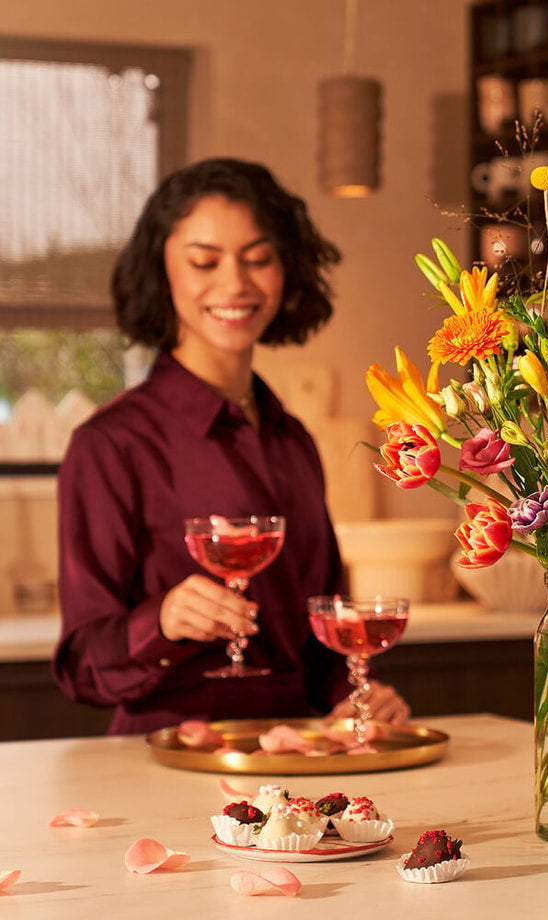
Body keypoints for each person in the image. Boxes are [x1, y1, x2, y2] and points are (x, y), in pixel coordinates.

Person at [52, 157, 409, 735]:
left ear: (286, 270)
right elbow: (81, 668)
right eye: (204, 261)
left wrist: (355, 696)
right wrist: (162, 621)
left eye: (258, 259)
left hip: (293, 773)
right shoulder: (112, 445)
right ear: (161, 273)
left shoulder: (293, 439)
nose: (235, 284)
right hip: (161, 765)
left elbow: (317, 641)